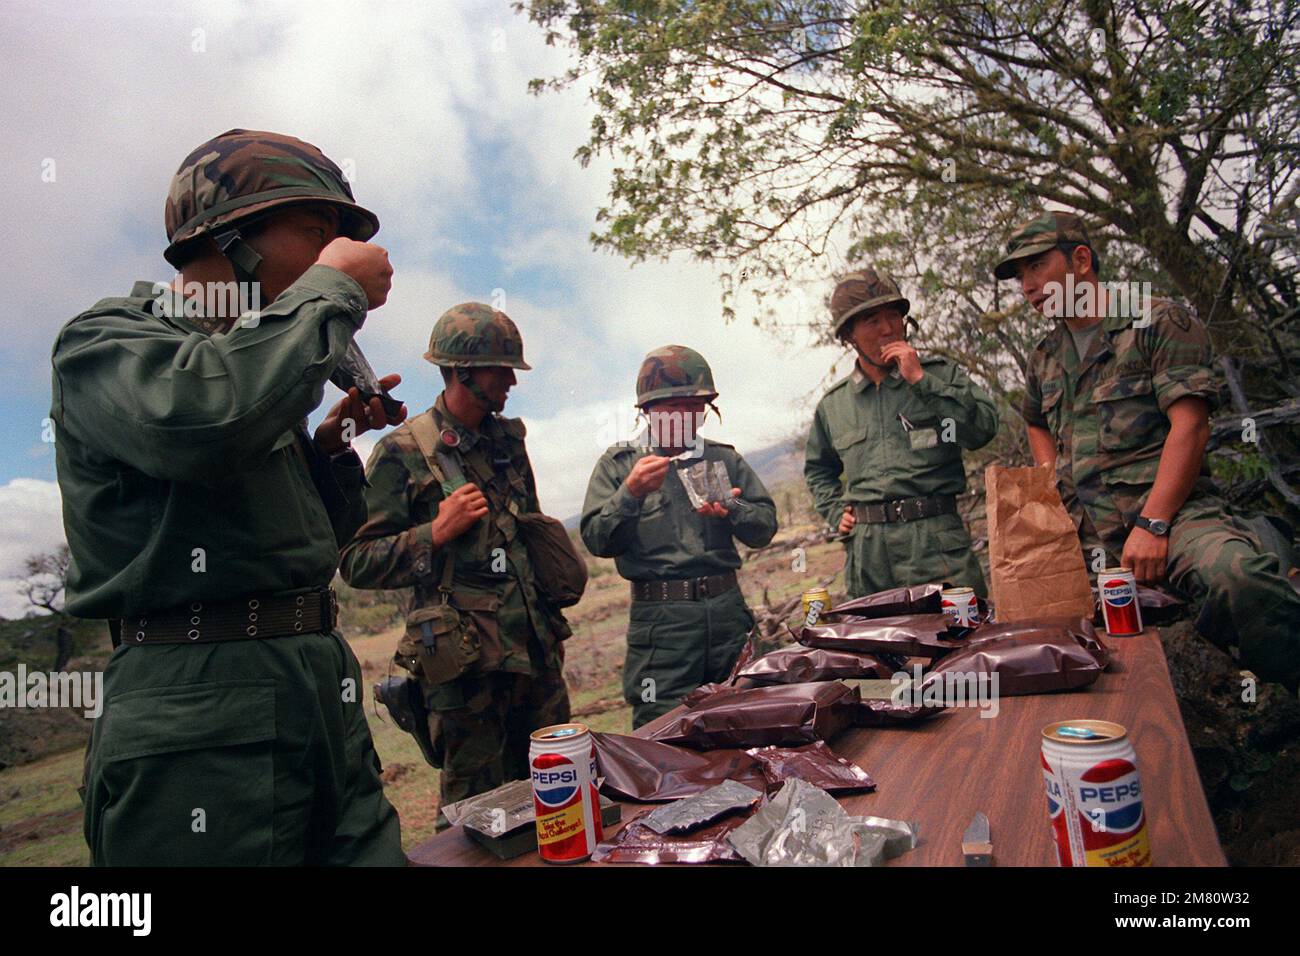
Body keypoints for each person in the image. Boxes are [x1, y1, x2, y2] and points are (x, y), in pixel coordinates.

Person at [53, 128, 405, 865]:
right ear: (230, 235)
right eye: (316, 232)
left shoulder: (254, 364)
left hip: (311, 677)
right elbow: (200, 425)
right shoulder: (105, 340)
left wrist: (328, 453)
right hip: (198, 704)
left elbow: (310, 549)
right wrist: (331, 289)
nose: (332, 251)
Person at [1000, 208, 1300, 690]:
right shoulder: (1044, 356)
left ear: (1080, 260)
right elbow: (1034, 419)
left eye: (1036, 267)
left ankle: (1280, 705)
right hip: (1084, 532)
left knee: (1239, 580)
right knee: (1016, 621)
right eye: (1020, 276)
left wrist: (1154, 523)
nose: (1027, 286)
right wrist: (1050, 479)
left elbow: (1192, 426)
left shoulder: (1158, 320)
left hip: (1172, 515)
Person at [339, 303, 573, 806]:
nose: (511, 380)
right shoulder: (402, 451)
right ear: (461, 371)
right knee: (477, 819)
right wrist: (435, 532)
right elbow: (357, 561)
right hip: (466, 675)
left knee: (559, 796)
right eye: (500, 369)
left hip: (534, 659)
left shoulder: (508, 441)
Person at [581, 345, 778, 728]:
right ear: (649, 410)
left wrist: (733, 510)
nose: (686, 417)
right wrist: (630, 493)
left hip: (727, 615)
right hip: (662, 626)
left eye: (695, 407)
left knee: (749, 716)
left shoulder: (725, 459)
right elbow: (596, 540)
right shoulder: (619, 465)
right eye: (675, 407)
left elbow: (765, 527)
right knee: (664, 733)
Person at [804, 267, 998, 598]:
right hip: (868, 552)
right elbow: (818, 470)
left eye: (893, 316)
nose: (887, 329)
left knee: (961, 641)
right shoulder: (833, 405)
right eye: (871, 321)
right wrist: (836, 511)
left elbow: (981, 429)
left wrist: (922, 382)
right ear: (849, 335)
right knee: (874, 645)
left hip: (935, 541)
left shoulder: (940, 376)